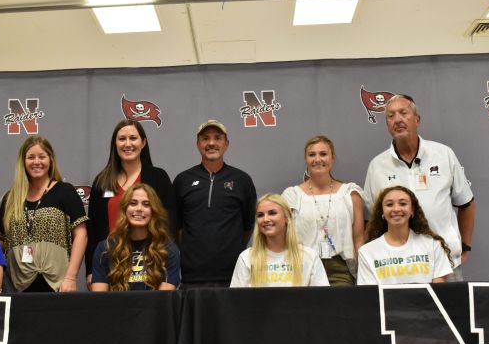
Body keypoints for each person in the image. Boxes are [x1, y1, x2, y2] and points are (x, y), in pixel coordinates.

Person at [363, 95, 474, 281]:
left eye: (403, 113)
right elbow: (370, 219)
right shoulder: (377, 166)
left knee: (450, 302)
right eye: (391, 116)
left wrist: (465, 247)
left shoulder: (444, 154)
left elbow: (466, 203)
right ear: (387, 124)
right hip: (398, 268)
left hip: (446, 262)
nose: (397, 119)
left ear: (417, 120)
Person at [86, 119, 175, 290]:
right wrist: (91, 269)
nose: (127, 144)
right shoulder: (102, 181)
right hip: (111, 265)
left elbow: (170, 223)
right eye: (122, 139)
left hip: (149, 264)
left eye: (133, 138)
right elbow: (93, 229)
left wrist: (166, 263)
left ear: (143, 142)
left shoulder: (158, 178)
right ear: (115, 144)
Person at [0, 136, 88, 292]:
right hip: (17, 286)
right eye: (31, 157)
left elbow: (81, 235)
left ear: (50, 160)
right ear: (23, 162)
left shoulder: (65, 191)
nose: (36, 162)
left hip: (58, 284)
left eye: (42, 156)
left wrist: (71, 277)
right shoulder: (10, 198)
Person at [174, 119, 257, 288]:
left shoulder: (242, 180)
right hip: (192, 278)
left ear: (226, 143)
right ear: (198, 144)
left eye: (217, 138)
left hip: (234, 277)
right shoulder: (183, 180)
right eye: (205, 138)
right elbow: (176, 228)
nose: (211, 143)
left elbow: (248, 227)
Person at [282, 135, 364, 286]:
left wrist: (363, 276)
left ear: (333, 158)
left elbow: (359, 240)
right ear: (306, 160)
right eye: (312, 155)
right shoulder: (291, 196)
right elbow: (284, 239)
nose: (317, 159)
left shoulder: (350, 194)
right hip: (302, 267)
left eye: (323, 154)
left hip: (340, 269)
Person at [91, 183, 180, 291]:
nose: (139, 209)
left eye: (146, 204)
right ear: (125, 209)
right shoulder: (105, 248)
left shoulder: (167, 249)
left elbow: (165, 298)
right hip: (115, 303)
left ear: (154, 211)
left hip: (154, 303)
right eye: (133, 203)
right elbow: (99, 297)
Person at [357, 186, 453, 285]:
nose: (396, 209)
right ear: (382, 211)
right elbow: (370, 293)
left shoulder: (433, 245)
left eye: (403, 204)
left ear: (412, 209)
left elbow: (439, 290)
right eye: (389, 204)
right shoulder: (367, 252)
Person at [231, 194, 329, 288]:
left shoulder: (309, 256)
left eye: (272, 213)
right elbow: (236, 298)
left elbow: (322, 297)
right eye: (260, 215)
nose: (265, 219)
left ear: (287, 217)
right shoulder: (246, 257)